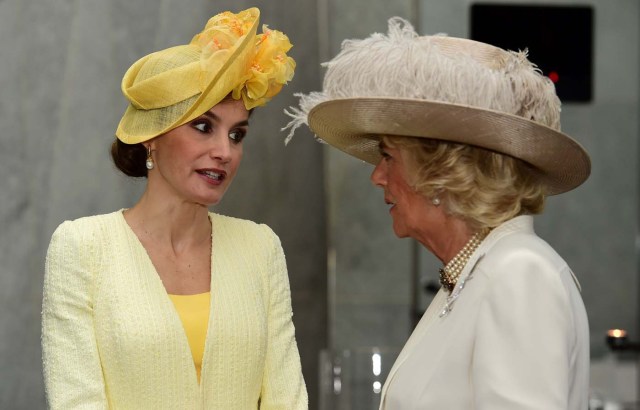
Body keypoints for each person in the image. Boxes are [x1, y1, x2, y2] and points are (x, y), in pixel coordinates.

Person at [285, 16, 590, 409]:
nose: (377, 176)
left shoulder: (519, 274)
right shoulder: (474, 275)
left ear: (444, 174)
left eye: (388, 157)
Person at [42, 8, 308, 409]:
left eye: (237, 135)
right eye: (204, 127)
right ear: (152, 137)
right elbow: (76, 401)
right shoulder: (82, 248)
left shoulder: (261, 248)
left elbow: (287, 400)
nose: (225, 152)